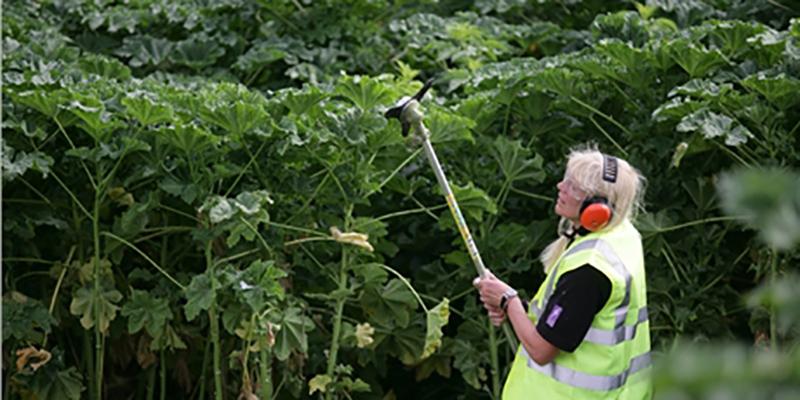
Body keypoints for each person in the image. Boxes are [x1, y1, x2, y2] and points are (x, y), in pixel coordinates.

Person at [475, 146, 651, 399]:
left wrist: (508, 301)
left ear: (597, 208)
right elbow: (577, 316)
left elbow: (541, 350)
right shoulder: (622, 234)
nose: (561, 187)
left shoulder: (590, 270)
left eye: (573, 186)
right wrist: (515, 308)